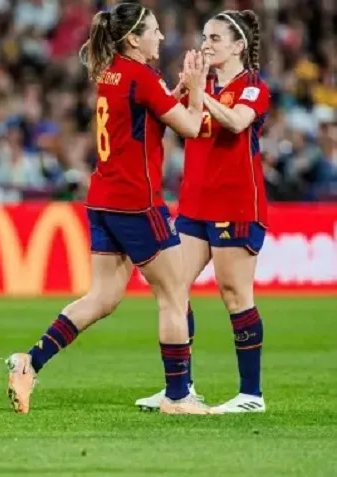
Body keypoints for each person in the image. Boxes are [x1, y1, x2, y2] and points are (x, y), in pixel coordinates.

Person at [6, 2, 214, 416]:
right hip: (137, 203)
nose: (160, 36)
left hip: (103, 199)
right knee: (175, 294)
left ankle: (29, 362)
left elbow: (142, 116)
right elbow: (191, 128)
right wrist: (197, 87)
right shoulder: (141, 76)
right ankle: (178, 396)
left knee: (102, 297)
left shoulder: (112, 72)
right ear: (134, 38)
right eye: (153, 30)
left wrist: (175, 93)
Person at [135, 10, 269, 414]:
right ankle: (180, 389)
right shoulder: (203, 84)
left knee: (234, 293)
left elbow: (235, 122)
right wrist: (183, 89)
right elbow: (170, 117)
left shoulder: (253, 88)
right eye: (204, 36)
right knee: (173, 287)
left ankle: (251, 395)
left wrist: (200, 92)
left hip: (236, 202)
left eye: (215, 38)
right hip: (194, 203)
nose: (206, 43)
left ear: (238, 46)